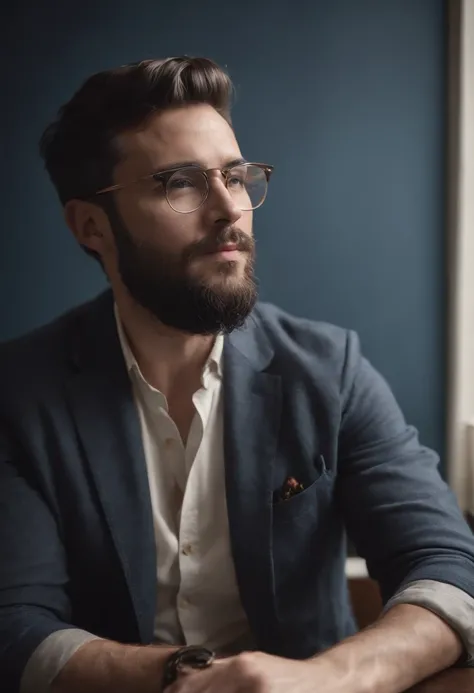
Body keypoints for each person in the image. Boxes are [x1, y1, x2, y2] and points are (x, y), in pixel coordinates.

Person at [0, 56, 473, 693]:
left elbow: (447, 564)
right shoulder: (20, 393)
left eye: (235, 176)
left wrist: (334, 678)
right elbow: (15, 624)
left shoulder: (330, 370)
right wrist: (189, 677)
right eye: (178, 182)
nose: (230, 209)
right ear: (92, 226)